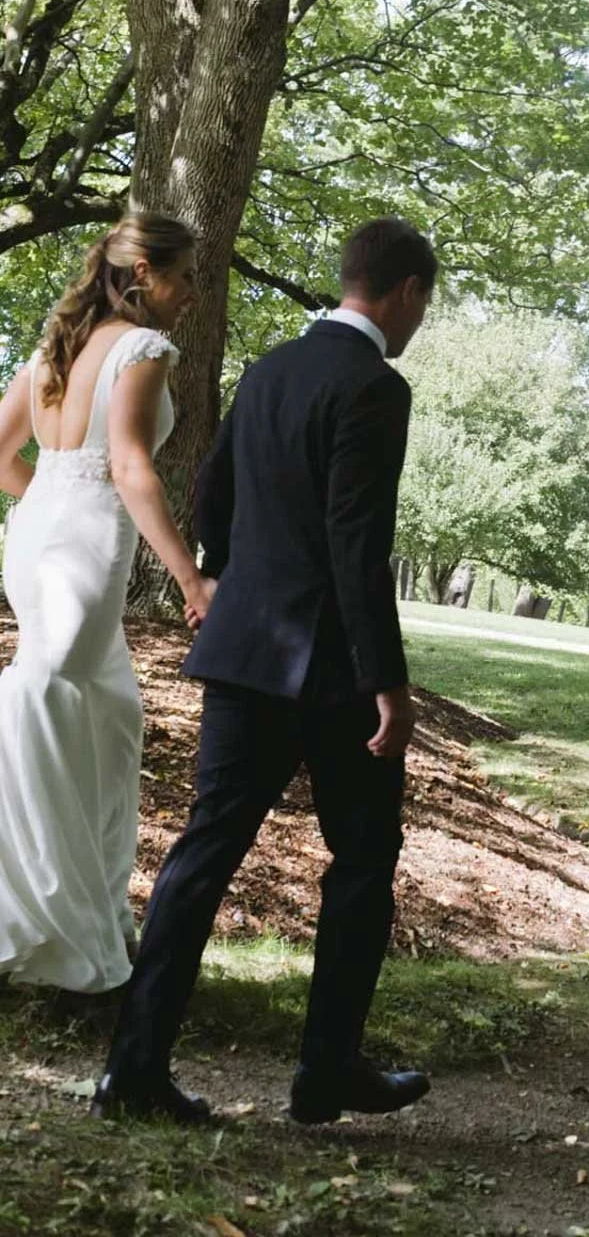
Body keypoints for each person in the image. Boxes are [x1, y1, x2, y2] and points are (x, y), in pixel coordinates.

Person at [92, 216, 436, 1126]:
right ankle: (326, 1075)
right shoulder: (375, 388)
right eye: (422, 306)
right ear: (404, 292)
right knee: (362, 860)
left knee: (202, 857)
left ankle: (133, 1069)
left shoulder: (269, 369)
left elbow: (213, 499)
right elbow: (359, 546)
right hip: (331, 674)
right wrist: (387, 684)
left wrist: (244, 583)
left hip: (244, 648)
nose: (418, 322)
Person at [0, 213, 215, 993]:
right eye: (186, 275)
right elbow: (130, 468)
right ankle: (35, 920)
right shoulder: (144, 349)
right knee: (52, 701)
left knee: (106, 712)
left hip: (36, 540)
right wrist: (191, 579)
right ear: (144, 276)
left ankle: (87, 906)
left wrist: (48, 502)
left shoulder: (51, 350)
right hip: (85, 547)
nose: (194, 291)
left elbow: (1, 456)